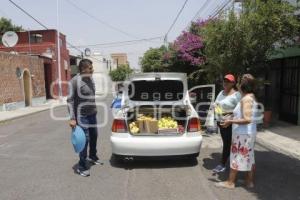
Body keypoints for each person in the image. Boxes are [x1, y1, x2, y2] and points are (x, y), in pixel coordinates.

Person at [215, 74, 258, 189]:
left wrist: (230, 122)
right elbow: (243, 114)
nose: (237, 85)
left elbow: (247, 119)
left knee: (236, 156)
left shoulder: (246, 99)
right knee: (249, 156)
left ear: (242, 86)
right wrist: (231, 116)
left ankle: (230, 182)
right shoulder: (250, 96)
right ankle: (249, 182)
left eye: (239, 83)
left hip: (243, 134)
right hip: (247, 133)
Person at [67, 58, 101, 177]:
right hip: (82, 116)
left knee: (94, 136)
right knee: (84, 141)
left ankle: (92, 156)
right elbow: (70, 101)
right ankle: (81, 166)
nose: (92, 70)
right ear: (83, 69)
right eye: (90, 68)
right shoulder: (74, 81)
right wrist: (72, 118)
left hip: (92, 114)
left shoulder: (90, 79)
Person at [213, 74, 241, 173]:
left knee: (228, 143)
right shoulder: (221, 92)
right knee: (226, 142)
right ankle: (231, 163)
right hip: (221, 121)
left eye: (228, 81)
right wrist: (219, 116)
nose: (225, 82)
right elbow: (216, 104)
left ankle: (223, 164)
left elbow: (239, 110)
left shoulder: (237, 95)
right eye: (224, 80)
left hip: (231, 123)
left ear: (233, 83)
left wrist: (230, 119)